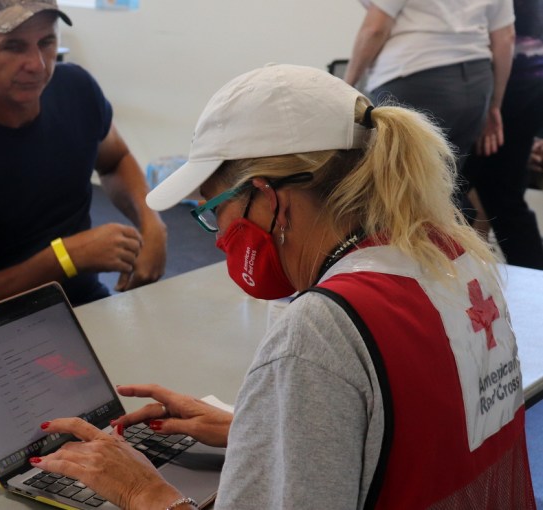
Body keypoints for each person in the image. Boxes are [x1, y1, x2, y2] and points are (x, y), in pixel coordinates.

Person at [29, 64, 535, 508]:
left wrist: (143, 492)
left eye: (213, 211)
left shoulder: (320, 331)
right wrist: (262, 431)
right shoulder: (453, 257)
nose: (218, 237)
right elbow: (420, 434)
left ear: (268, 199)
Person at [0, 0, 167, 307]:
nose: (38, 64)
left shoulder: (77, 88)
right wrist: (66, 257)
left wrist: (152, 223)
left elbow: (115, 161)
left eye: (46, 42)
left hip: (85, 305)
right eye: (14, 47)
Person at [343, 0, 516, 221]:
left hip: (414, 77)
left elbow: (375, 29)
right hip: (476, 84)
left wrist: (346, 87)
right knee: (444, 188)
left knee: (394, 192)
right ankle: (456, 246)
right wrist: (494, 105)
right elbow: (505, 38)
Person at [463, 0, 543, 270]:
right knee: (501, 196)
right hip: (527, 84)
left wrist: (493, 103)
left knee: (452, 190)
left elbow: (501, 37)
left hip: (502, 86)